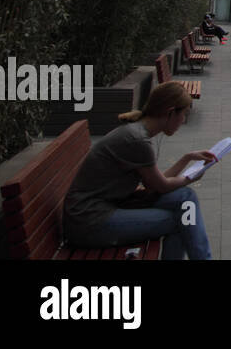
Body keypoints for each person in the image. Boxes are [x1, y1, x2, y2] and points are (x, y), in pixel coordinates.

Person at [64, 82, 217, 260]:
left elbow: (155, 185)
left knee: (185, 197)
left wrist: (186, 158)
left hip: (101, 210)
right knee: (181, 221)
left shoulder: (136, 132)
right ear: (170, 112)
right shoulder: (137, 140)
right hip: (90, 221)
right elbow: (161, 186)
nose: (183, 121)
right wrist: (191, 176)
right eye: (183, 114)